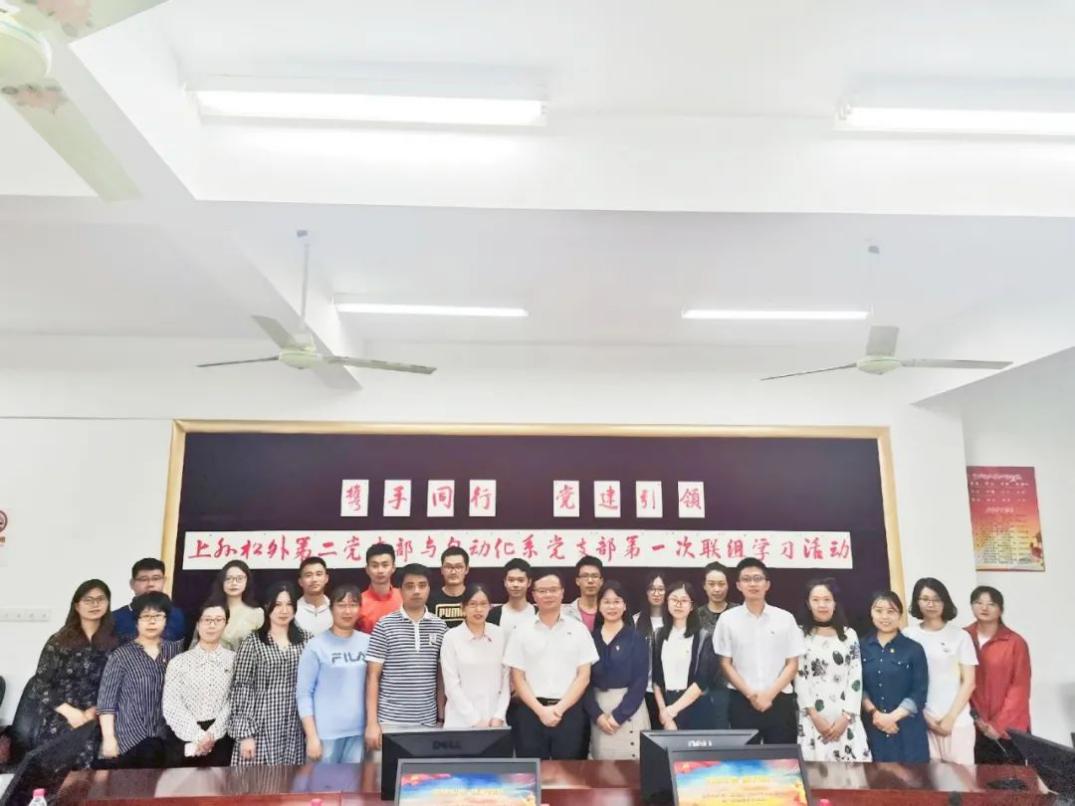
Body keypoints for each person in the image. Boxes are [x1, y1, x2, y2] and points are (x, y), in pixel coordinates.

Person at [504, 571, 599, 760]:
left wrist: (559, 709)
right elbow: (517, 677)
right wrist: (541, 711)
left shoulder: (578, 629)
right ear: (534, 595)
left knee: (570, 772)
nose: (548, 595)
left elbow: (584, 676)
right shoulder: (521, 631)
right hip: (530, 712)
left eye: (553, 590)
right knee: (531, 771)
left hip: (570, 712)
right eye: (542, 591)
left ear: (562, 592)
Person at [24, 579, 118, 768]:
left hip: (101, 719)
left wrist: (96, 710)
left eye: (100, 599)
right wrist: (71, 713)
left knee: (96, 779)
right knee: (61, 777)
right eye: (88, 600)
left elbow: (120, 684)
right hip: (62, 716)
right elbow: (40, 684)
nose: (95, 604)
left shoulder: (116, 642)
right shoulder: (59, 641)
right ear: (76, 606)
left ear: (108, 603)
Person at [714, 558, 804, 743]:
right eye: (746, 579)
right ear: (738, 585)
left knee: (783, 758)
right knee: (746, 759)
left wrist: (769, 695)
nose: (752, 584)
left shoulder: (785, 618)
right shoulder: (727, 620)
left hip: (779, 700)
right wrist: (751, 695)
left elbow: (792, 664)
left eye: (757, 578)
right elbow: (725, 663)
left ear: (767, 584)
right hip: (742, 700)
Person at [365, 564, 448, 753]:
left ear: (429, 588)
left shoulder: (440, 627)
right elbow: (372, 677)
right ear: (400, 590)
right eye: (410, 586)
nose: (416, 591)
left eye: (422, 585)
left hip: (427, 723)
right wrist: (372, 723)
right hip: (389, 723)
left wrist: (441, 718)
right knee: (386, 773)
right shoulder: (384, 625)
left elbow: (440, 678)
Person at [97, 592, 184, 768]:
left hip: (166, 740)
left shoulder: (176, 652)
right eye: (145, 616)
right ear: (136, 621)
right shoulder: (121, 656)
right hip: (129, 740)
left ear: (166, 620)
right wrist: (109, 739)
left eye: (157, 616)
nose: (151, 622)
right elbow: (106, 702)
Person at [229, 582, 312, 766]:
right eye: (278, 604)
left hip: (294, 726)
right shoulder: (253, 642)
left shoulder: (307, 640)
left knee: (289, 779)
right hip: (260, 724)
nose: (284, 610)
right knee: (256, 780)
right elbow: (242, 687)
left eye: (289, 604)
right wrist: (245, 734)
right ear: (267, 606)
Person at [794, 578, 870, 761]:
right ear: (808, 604)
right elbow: (799, 676)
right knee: (815, 773)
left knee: (852, 774)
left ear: (835, 603)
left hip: (845, 718)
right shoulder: (799, 634)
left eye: (827, 600)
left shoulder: (848, 635)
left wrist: (846, 717)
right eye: (816, 600)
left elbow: (855, 676)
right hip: (813, 718)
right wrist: (814, 716)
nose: (822, 605)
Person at [905, 577, 977, 764]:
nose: (931, 604)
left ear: (945, 602)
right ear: (917, 602)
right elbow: (905, 683)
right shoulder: (908, 635)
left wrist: (950, 718)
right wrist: (924, 716)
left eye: (937, 599)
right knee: (931, 779)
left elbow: (969, 682)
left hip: (957, 722)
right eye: (925, 599)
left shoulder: (960, 636)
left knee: (963, 779)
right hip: (922, 721)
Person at [297, 584, 371, 763]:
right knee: (324, 781)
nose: (347, 611)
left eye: (353, 605)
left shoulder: (369, 642)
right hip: (325, 735)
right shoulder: (315, 646)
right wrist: (312, 736)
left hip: (359, 733)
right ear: (331, 608)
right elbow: (304, 694)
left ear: (360, 609)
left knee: (353, 782)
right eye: (341, 605)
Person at [583, 581, 650, 760]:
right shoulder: (590, 639)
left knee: (633, 767)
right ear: (598, 605)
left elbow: (640, 682)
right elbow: (583, 681)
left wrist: (618, 717)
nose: (611, 606)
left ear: (625, 605)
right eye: (606, 602)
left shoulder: (636, 639)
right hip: (599, 712)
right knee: (602, 767)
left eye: (617, 601)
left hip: (630, 709)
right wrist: (598, 716)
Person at [162, 602, 235, 767]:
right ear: (197, 623)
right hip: (183, 736)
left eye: (218, 620)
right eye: (207, 619)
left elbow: (234, 702)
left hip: (222, 738)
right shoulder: (179, 662)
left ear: (226, 624)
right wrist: (198, 736)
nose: (212, 625)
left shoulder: (235, 660)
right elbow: (172, 704)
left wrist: (212, 734)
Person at [965, 585, 1030, 765]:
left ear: (1001, 609)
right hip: (974, 726)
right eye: (978, 602)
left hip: (1009, 727)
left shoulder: (1015, 642)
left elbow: (1020, 688)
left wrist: (998, 725)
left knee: (1012, 779)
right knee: (976, 779)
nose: (984, 608)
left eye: (991, 604)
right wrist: (976, 719)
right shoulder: (962, 637)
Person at [861, 590, 929, 762]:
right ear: (871, 613)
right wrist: (876, 714)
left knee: (913, 777)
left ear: (900, 614)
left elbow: (919, 691)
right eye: (879, 610)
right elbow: (858, 687)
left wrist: (891, 718)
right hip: (872, 728)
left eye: (891, 611)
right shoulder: (861, 647)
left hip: (907, 730)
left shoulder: (913, 648)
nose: (884, 616)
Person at [440, 583, 510, 729]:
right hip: (460, 722)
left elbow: (506, 680)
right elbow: (451, 686)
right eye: (472, 604)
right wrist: (475, 720)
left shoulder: (500, 635)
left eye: (483, 604)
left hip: (495, 722)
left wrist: (499, 715)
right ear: (463, 607)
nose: (478, 609)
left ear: (490, 607)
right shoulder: (451, 637)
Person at [652, 581, 719, 731]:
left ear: (692, 606)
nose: (678, 604)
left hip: (696, 707)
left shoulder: (703, 637)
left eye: (684, 600)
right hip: (666, 705)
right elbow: (657, 679)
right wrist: (664, 712)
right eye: (674, 599)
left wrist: (672, 711)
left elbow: (701, 681)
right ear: (667, 602)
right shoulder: (658, 635)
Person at [696, 562, 736, 728]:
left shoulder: (739, 613)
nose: (717, 589)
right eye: (711, 584)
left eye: (721, 584)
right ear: (704, 586)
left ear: (728, 585)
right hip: (701, 689)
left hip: (734, 687)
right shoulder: (695, 616)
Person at [112, 558, 186, 642]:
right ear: (132, 583)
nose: (150, 584)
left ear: (164, 581)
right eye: (143, 579)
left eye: (156, 578)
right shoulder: (114, 618)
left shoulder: (177, 615)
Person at [634, 571, 666, 729]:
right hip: (643, 691)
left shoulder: (675, 620)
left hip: (669, 692)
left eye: (661, 589)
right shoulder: (635, 621)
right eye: (652, 589)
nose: (656, 593)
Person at [207, 560, 263, 651]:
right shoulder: (209, 611)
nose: (234, 583)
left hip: (244, 660)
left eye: (239, 578)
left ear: (247, 581)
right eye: (228, 578)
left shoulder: (257, 613)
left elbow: (262, 649)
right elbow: (196, 645)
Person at [355, 543, 401, 634]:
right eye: (375, 566)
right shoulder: (358, 602)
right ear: (367, 569)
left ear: (393, 568)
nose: (380, 571)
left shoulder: (405, 598)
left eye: (385, 565)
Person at [487, 558, 537, 633]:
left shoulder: (539, 614)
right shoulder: (493, 615)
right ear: (505, 582)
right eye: (511, 580)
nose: (515, 584)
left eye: (520, 580)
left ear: (529, 582)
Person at [427, 546, 470, 628]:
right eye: (448, 567)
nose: (453, 572)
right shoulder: (429, 599)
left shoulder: (474, 597)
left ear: (467, 569)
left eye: (458, 567)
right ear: (442, 570)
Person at [563, 556, 603, 630]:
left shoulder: (610, 611)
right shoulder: (565, 613)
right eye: (585, 576)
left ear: (601, 581)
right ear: (577, 581)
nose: (590, 581)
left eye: (594, 576)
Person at [294, 557, 332, 635]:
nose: (314, 579)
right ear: (300, 581)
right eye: (308, 575)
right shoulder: (293, 610)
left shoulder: (335, 608)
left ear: (326, 578)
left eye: (319, 574)